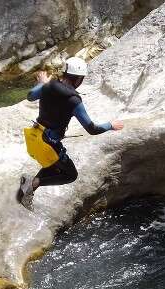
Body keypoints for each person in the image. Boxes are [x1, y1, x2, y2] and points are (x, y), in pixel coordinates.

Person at [17, 57, 124, 209]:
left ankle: (30, 185)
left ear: (65, 73)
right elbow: (92, 129)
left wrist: (42, 83)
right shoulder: (73, 100)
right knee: (70, 175)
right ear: (79, 79)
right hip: (49, 144)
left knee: (54, 165)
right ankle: (32, 184)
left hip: (34, 137)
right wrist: (110, 125)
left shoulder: (48, 86)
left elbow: (30, 96)